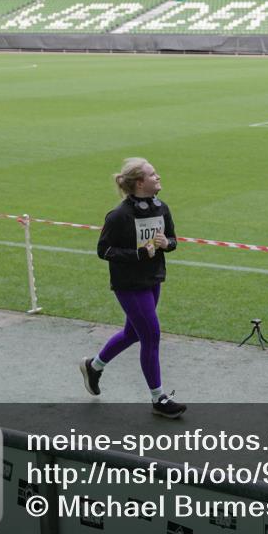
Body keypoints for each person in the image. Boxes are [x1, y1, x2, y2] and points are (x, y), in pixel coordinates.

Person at [80, 158, 186, 418]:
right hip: (129, 284)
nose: (158, 177)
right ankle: (158, 399)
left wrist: (165, 244)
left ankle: (94, 366)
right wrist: (138, 254)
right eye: (153, 174)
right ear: (140, 183)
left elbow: (173, 240)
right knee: (151, 335)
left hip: (153, 280)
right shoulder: (119, 216)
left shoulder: (162, 208)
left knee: (133, 333)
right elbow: (103, 250)